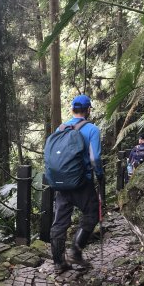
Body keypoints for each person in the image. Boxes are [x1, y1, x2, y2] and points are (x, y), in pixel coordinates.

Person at [49, 94, 103, 273]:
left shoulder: (61, 128)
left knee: (59, 222)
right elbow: (95, 158)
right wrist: (100, 176)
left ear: (72, 109)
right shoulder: (92, 129)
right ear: (88, 110)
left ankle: (58, 263)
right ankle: (75, 251)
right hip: (82, 183)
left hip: (61, 183)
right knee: (91, 213)